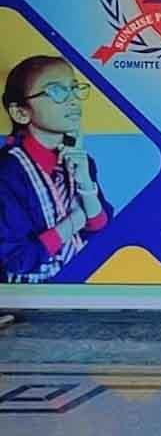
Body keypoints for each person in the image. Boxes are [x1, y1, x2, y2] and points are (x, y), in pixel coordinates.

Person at [1, 56, 111, 282]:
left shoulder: (82, 161)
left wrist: (85, 184)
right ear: (21, 113)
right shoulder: (8, 171)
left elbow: (100, 225)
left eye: (74, 88)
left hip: (75, 288)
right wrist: (76, 220)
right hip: (25, 296)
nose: (73, 100)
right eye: (56, 92)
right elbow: (17, 259)